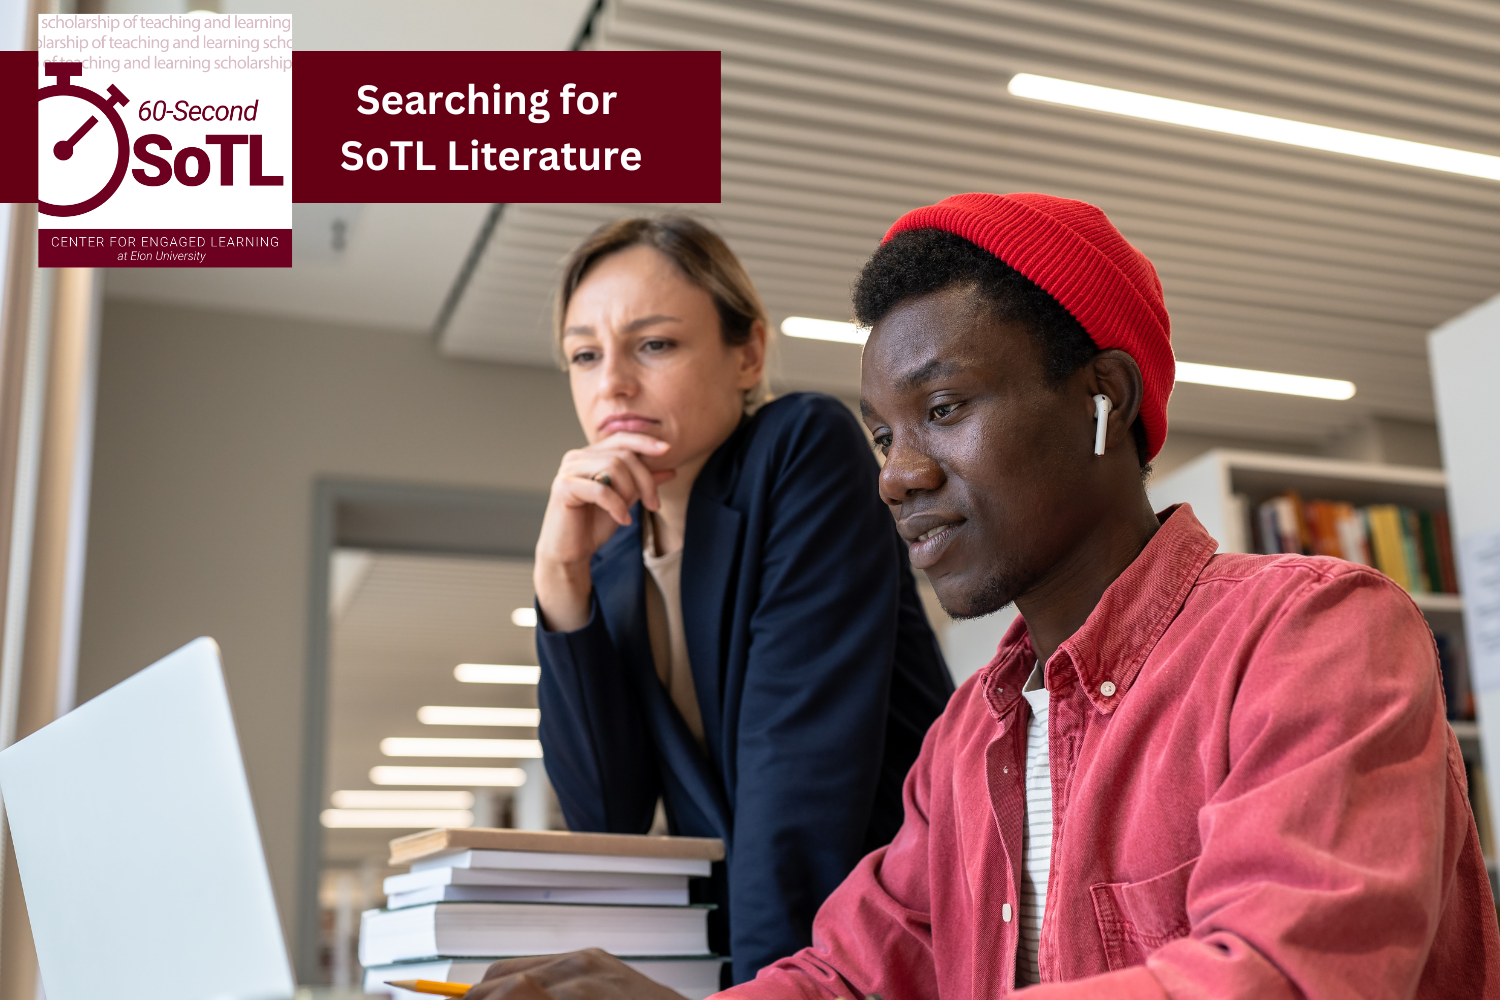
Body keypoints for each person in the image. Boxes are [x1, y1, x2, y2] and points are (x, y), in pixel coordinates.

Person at [474, 193, 1500, 999]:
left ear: (1104, 400)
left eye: (946, 408)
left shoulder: (1314, 634)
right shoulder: (967, 741)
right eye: (884, 434)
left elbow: (1284, 979)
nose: (896, 475)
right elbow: (846, 975)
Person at [530, 216, 955, 985]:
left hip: (887, 944)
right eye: (585, 355)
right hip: (768, 967)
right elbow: (609, 817)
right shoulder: (617, 559)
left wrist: (761, 991)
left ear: (747, 352)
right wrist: (562, 580)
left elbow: (797, 794)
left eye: (653, 344)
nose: (612, 383)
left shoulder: (800, 450)